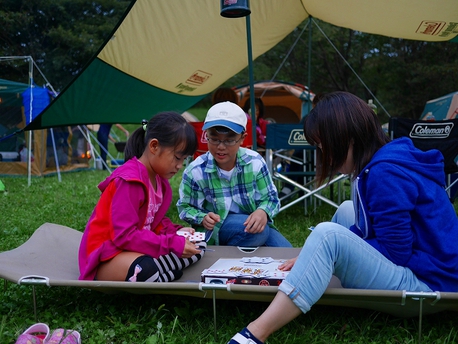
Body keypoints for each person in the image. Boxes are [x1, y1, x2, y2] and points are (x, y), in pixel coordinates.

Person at [228, 91, 458, 343]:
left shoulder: (385, 174)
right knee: (347, 209)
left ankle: (255, 334)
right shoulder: (385, 160)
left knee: (329, 236)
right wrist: (313, 256)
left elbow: (396, 253)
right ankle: (314, 266)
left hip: (428, 286)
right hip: (431, 268)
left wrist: (330, 249)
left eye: (322, 146)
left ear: (347, 138)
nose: (322, 154)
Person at [78, 112, 205, 283]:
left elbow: (153, 221)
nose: (179, 166)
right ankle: (159, 272)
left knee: (198, 246)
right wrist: (170, 244)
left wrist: (175, 232)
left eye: (183, 160)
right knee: (146, 269)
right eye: (177, 157)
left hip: (133, 248)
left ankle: (161, 273)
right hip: (107, 254)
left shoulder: (159, 181)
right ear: (154, 146)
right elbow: (124, 236)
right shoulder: (130, 181)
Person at [177, 101, 292, 247]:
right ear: (206, 136)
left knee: (285, 252)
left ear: (242, 138)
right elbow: (185, 207)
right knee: (257, 234)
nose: (221, 147)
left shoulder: (255, 162)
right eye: (214, 139)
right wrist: (202, 217)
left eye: (229, 140)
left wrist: (263, 212)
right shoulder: (196, 171)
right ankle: (223, 254)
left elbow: (271, 199)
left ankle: (241, 249)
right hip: (216, 229)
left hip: (252, 224)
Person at [278, 93, 325, 199]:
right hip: (306, 155)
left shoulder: (330, 120)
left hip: (322, 157)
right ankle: (302, 193)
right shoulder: (307, 119)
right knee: (300, 156)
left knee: (300, 156)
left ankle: (289, 189)